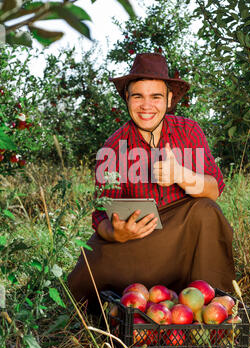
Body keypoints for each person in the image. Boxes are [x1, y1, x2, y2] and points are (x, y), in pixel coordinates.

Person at [67, 53, 236, 313]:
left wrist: (181, 175)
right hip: (140, 244)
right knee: (89, 266)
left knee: (207, 212)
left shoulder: (188, 131)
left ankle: (210, 306)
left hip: (184, 238)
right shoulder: (114, 146)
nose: (146, 106)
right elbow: (101, 215)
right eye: (138, 96)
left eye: (155, 96)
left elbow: (214, 190)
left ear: (169, 100)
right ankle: (133, 303)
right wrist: (116, 233)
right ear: (127, 99)